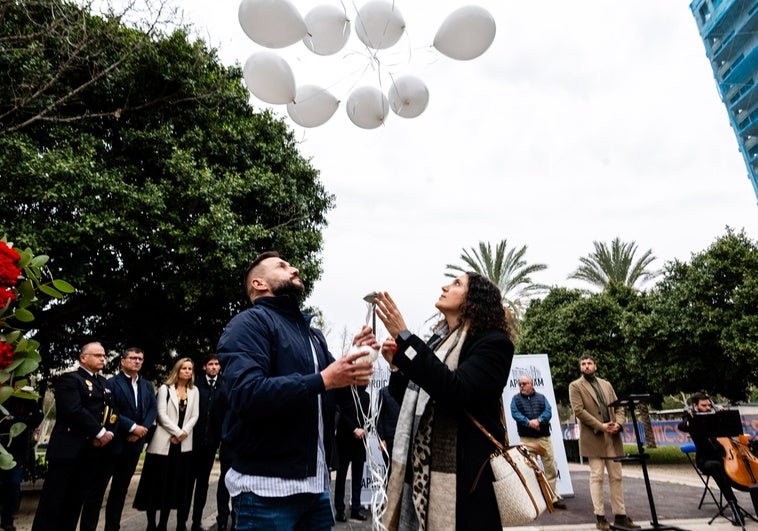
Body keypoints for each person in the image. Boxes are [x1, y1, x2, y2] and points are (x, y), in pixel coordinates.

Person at [216, 251, 378, 531]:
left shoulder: (313, 335)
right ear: (258, 283)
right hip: (265, 494)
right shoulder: (247, 324)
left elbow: (335, 391)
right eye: (282, 266)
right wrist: (324, 379)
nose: (294, 269)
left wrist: (357, 360)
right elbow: (247, 393)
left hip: (316, 491)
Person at [373, 272, 515, 530]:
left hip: (468, 479)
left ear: (474, 300)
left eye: (457, 284)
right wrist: (396, 366)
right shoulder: (438, 343)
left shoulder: (494, 344)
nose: (445, 286)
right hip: (422, 475)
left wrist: (405, 337)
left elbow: (454, 390)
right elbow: (414, 396)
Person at [32, 342, 117, 531]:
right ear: (83, 358)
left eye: (104, 355)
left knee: (74, 504)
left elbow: (111, 411)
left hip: (90, 453)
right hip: (68, 452)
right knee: (53, 505)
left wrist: (110, 431)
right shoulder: (69, 380)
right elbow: (73, 410)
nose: (102, 358)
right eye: (97, 355)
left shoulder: (103, 383)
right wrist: (99, 432)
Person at [81, 347, 158, 531]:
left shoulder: (147, 385)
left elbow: (152, 409)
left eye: (140, 358)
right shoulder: (111, 383)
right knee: (97, 491)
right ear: (122, 361)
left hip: (134, 446)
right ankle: (88, 527)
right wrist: (132, 427)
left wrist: (142, 430)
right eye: (132, 358)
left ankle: (112, 527)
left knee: (120, 491)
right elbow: (111, 409)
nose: (137, 361)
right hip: (113, 445)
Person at [568, 355, 640, 531]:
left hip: (612, 437)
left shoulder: (606, 384)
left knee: (616, 476)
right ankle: (600, 517)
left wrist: (619, 423)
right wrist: (601, 426)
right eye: (583, 364)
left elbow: (619, 407)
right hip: (594, 437)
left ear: (595, 366)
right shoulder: (575, 386)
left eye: (589, 363)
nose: (586, 366)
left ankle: (620, 516)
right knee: (597, 476)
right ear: (580, 368)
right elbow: (578, 411)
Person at [133, 357, 200, 531]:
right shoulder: (165, 389)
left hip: (183, 446)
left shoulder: (194, 391)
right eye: (184, 368)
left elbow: (194, 416)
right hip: (162, 445)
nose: (187, 371)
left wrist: (183, 434)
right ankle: (151, 524)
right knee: (155, 485)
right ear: (177, 370)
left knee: (173, 486)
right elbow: (161, 415)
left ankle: (163, 524)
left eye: (190, 369)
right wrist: (177, 433)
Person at [678, 392, 744, 526]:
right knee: (716, 466)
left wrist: (724, 416)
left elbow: (733, 432)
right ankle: (734, 506)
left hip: (725, 456)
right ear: (695, 405)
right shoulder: (691, 417)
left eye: (709, 404)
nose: (708, 407)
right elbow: (682, 425)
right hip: (706, 460)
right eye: (703, 405)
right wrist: (691, 421)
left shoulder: (716, 416)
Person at [185, 354, 229, 531]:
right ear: (204, 367)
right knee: (188, 484)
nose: (213, 367)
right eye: (210, 364)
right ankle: (182, 521)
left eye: (216, 364)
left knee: (202, 484)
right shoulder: (195, 386)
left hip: (211, 443)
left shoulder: (224, 385)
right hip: (192, 442)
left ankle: (197, 521)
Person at [510, 375, 566, 510]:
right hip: (527, 439)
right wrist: (529, 423)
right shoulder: (515, 400)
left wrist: (539, 421)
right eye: (520, 384)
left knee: (550, 469)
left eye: (524, 383)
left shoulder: (542, 398)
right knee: (530, 470)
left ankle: (552, 498)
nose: (521, 386)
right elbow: (515, 414)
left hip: (544, 438)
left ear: (531, 384)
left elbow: (548, 412)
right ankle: (536, 500)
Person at [0, 396, 43, 531]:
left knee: (13, 483)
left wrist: (15, 419)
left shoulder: (31, 402)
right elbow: (4, 423)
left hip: (18, 451)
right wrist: (20, 421)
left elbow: (36, 420)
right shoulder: (5, 399)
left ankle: (7, 520)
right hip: (3, 447)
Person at [333, 385, 370, 522]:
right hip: (345, 441)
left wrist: (365, 430)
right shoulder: (343, 393)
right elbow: (340, 414)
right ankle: (340, 510)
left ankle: (356, 508)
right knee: (341, 476)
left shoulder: (366, 396)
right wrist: (354, 429)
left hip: (360, 442)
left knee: (358, 476)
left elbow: (369, 417)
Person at [376, 384, 399, 469]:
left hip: (406, 440)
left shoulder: (410, 393)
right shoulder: (384, 392)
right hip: (389, 440)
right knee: (390, 470)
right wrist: (381, 439)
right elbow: (379, 417)